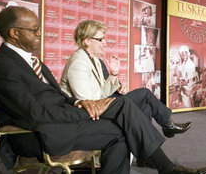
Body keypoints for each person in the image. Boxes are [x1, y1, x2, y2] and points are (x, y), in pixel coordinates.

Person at [0, 6, 206, 174]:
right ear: (14, 33)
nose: (40, 33)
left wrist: (80, 102)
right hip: (36, 135)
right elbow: (33, 112)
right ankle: (164, 170)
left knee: (124, 122)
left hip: (58, 123)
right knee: (124, 107)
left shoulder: (33, 62)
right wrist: (80, 111)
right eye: (34, 29)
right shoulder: (1, 66)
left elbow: (58, 97)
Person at [60, 20, 191, 138]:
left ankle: (146, 155)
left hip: (100, 106)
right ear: (87, 41)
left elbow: (102, 93)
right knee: (144, 93)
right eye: (101, 40)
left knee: (145, 107)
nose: (105, 43)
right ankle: (168, 125)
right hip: (88, 115)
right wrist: (115, 100)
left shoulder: (94, 60)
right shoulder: (78, 63)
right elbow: (89, 103)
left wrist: (113, 73)